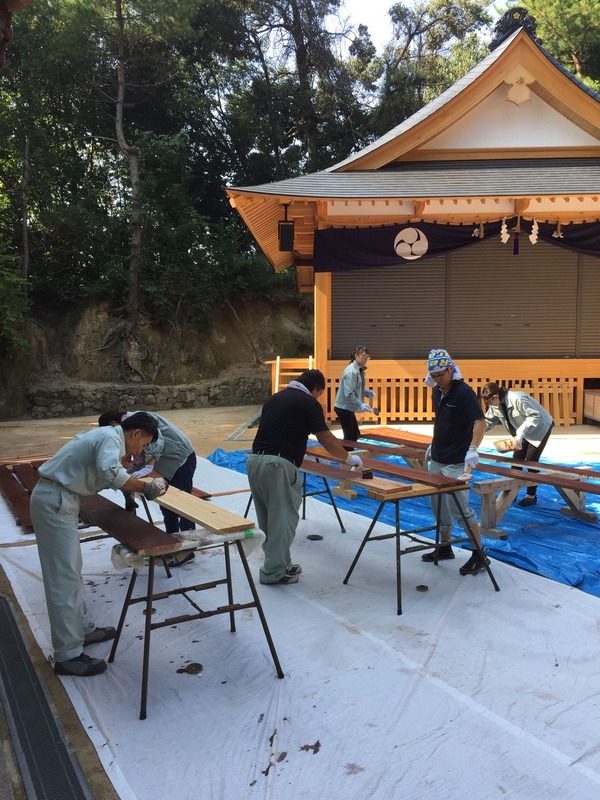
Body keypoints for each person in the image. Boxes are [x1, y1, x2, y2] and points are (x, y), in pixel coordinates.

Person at [29, 412, 166, 677]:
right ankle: (68, 655)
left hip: (60, 499)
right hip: (55, 500)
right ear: (136, 433)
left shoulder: (107, 438)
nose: (142, 450)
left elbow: (108, 475)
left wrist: (132, 483)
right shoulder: (109, 437)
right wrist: (146, 488)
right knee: (62, 577)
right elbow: (110, 473)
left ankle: (81, 629)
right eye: (145, 443)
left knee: (70, 571)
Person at [247, 369, 363, 585]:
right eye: (320, 393)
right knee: (282, 520)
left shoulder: (274, 398)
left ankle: (281, 563)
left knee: (268, 519)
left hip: (255, 462)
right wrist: (348, 458)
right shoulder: (309, 403)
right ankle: (273, 573)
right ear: (317, 388)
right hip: (279, 465)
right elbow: (325, 438)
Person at [99, 410, 197, 566]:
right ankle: (171, 543)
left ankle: (188, 549)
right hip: (165, 462)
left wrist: (149, 465)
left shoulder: (138, 419)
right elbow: (136, 456)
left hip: (181, 458)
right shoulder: (130, 428)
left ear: (113, 423)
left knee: (183, 504)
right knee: (166, 502)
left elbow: (157, 442)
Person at [421, 349, 488, 576]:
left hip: (457, 461)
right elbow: (440, 421)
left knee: (460, 508)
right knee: (438, 505)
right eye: (434, 375)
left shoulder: (464, 393)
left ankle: (479, 554)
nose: (438, 379)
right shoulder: (437, 392)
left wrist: (473, 448)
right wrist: (433, 443)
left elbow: (480, 422)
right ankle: (445, 547)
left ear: (451, 368)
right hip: (438, 458)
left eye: (441, 374)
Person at [481, 382, 554, 507]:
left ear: (495, 397)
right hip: (520, 432)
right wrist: (475, 431)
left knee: (531, 461)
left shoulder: (518, 398)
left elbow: (535, 415)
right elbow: (488, 421)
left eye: (488, 402)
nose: (488, 405)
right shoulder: (495, 405)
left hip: (539, 428)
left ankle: (531, 495)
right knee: (516, 461)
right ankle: (511, 492)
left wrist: (521, 432)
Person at [334, 346, 378, 448]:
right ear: (356, 356)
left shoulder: (359, 369)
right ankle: (346, 458)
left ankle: (349, 456)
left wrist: (367, 393)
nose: (366, 359)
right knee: (350, 437)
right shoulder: (352, 372)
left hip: (348, 407)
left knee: (355, 434)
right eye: (363, 356)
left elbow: (356, 388)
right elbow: (349, 394)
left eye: (367, 357)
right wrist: (360, 404)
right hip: (343, 407)